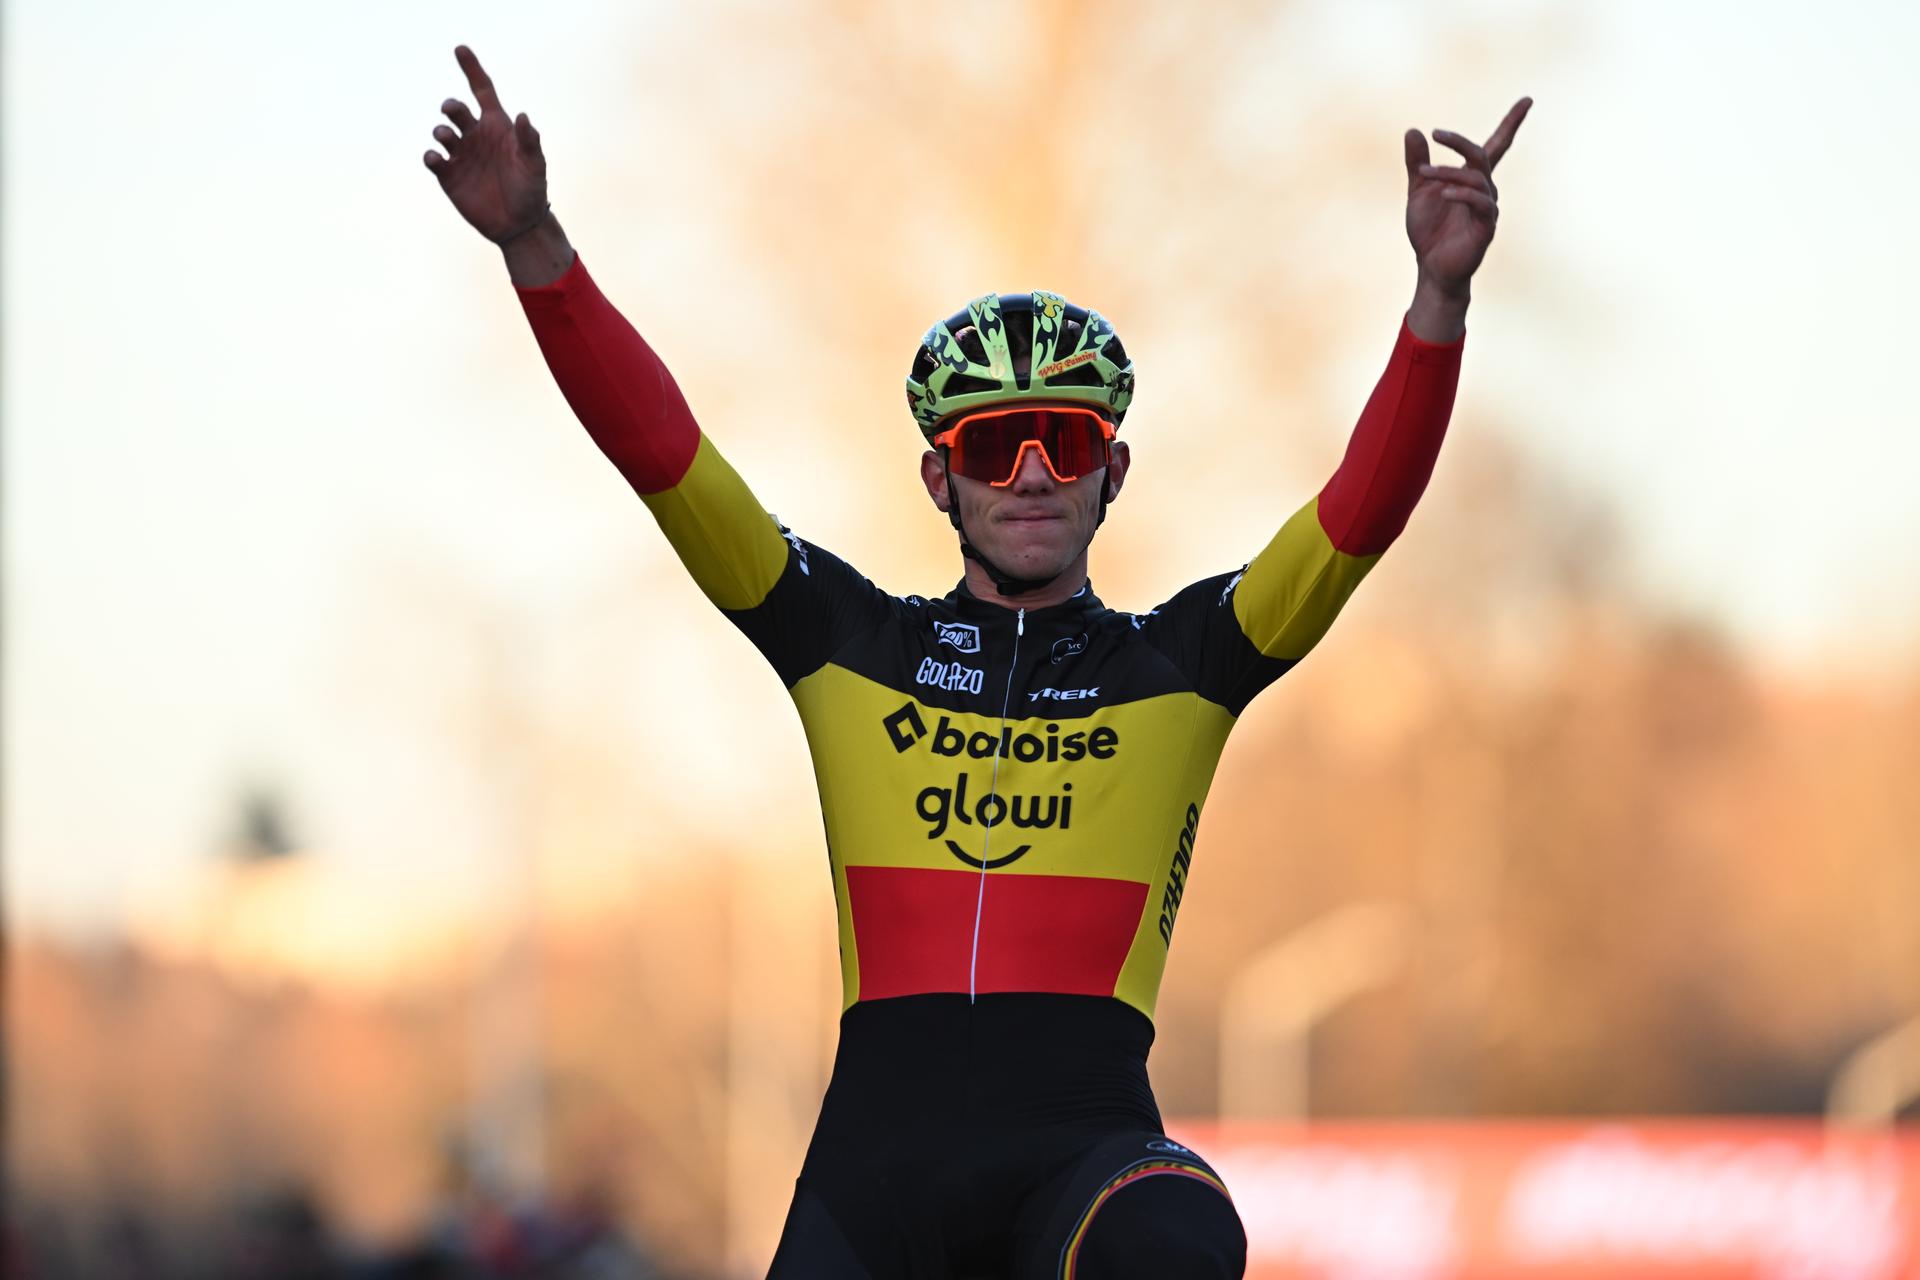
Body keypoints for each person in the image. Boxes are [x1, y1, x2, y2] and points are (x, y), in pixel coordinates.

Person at [425, 44, 1529, 1280]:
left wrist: (1439, 301)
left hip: (1084, 1153)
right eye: (996, 446)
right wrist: (536, 245)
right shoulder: (849, 644)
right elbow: (670, 461)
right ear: (938, 478)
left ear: (1114, 472)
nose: (1034, 474)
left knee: (1178, 1237)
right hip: (876, 1179)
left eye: (1066, 440)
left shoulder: (1183, 662)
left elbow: (1356, 520)